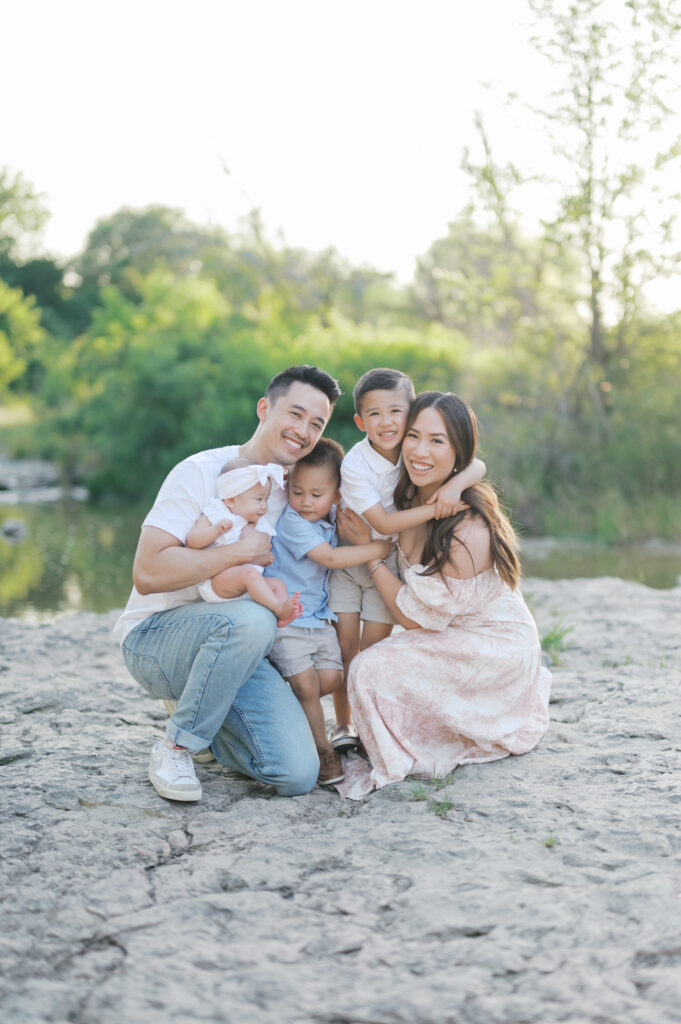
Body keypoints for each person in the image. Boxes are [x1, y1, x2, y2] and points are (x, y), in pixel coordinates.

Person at [113, 365, 341, 803]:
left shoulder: (298, 490)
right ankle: (177, 746)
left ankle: (207, 713)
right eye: (295, 414)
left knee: (297, 774)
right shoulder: (202, 471)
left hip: (240, 647)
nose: (304, 431)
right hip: (157, 639)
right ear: (264, 408)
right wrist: (239, 552)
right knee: (254, 618)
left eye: (317, 423)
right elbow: (148, 572)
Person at [337, 390, 551, 799]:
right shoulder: (404, 493)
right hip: (447, 631)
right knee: (370, 667)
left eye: (437, 441)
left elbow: (414, 619)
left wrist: (370, 555)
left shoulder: (467, 527)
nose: (420, 451)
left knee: (368, 668)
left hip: (493, 648)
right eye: (413, 436)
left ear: (458, 454)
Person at [328, 368, 486, 754]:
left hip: (384, 564)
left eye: (396, 412)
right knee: (345, 646)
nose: (387, 423)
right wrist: (436, 508)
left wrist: (453, 487)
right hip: (352, 557)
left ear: (409, 413)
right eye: (375, 414)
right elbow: (382, 524)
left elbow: (476, 465)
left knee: (373, 649)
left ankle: (365, 722)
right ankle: (344, 722)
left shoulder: (410, 447)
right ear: (360, 421)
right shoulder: (357, 464)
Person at [262, 439, 392, 787]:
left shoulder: (333, 515)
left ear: (336, 497)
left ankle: (282, 706)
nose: (305, 502)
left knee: (333, 679)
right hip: (288, 617)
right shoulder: (292, 522)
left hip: (318, 619)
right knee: (307, 685)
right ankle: (323, 751)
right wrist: (377, 548)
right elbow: (332, 558)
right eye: (298, 492)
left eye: (316, 494)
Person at [186, 458, 302, 626]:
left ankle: (282, 615)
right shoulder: (216, 514)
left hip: (247, 584)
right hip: (218, 582)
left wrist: (262, 559)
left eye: (266, 499)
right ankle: (278, 608)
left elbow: (260, 551)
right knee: (249, 574)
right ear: (230, 500)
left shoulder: (257, 522)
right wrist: (215, 530)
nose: (264, 506)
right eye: (258, 499)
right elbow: (192, 541)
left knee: (278, 584)